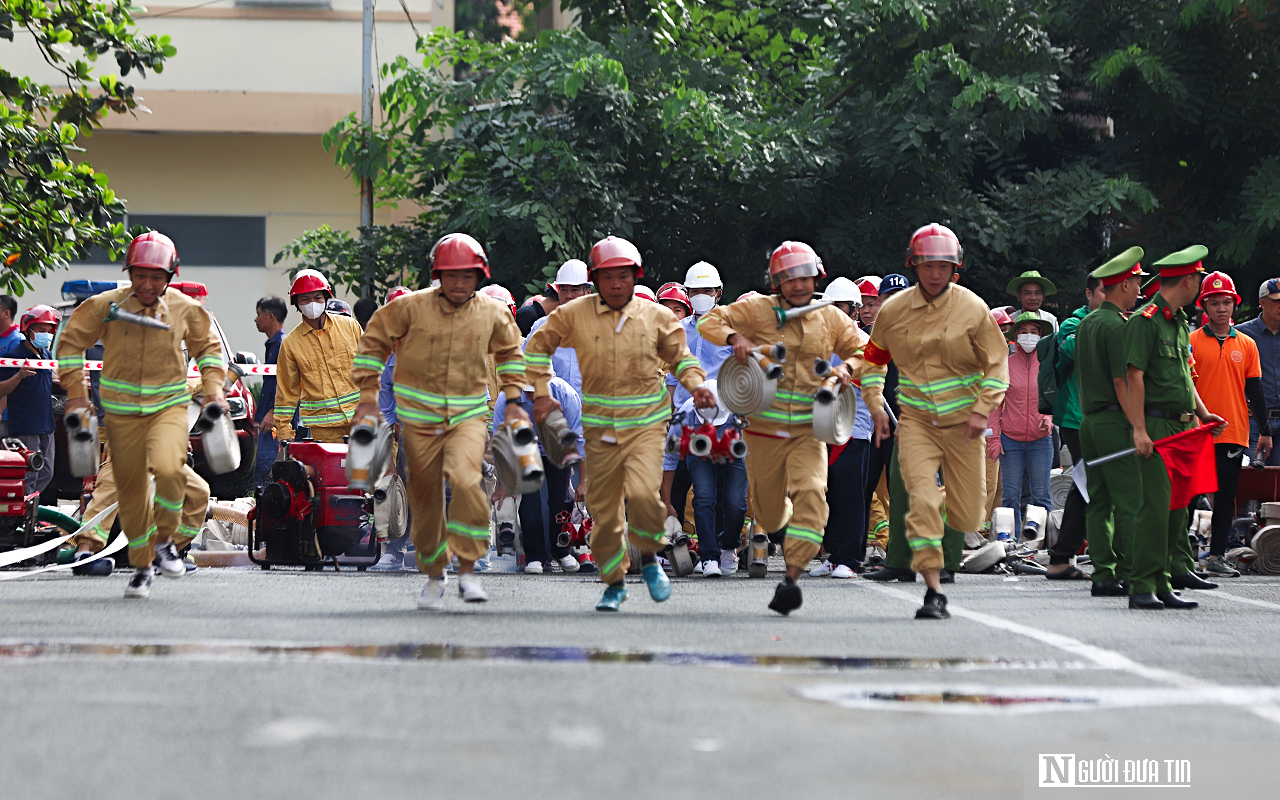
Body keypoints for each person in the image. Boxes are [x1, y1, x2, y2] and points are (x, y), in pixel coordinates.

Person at [528, 235, 711, 612]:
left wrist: (697, 388)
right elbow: (536, 347)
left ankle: (648, 560)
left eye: (623, 276)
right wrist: (542, 391)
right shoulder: (573, 315)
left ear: (634, 276)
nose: (615, 283)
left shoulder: (657, 316)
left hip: (645, 426)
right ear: (595, 280)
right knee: (605, 510)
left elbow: (683, 359)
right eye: (607, 276)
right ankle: (613, 581)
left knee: (645, 497)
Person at [351, 233, 529, 609]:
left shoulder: (493, 313)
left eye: (467, 276)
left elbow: (512, 356)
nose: (460, 283)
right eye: (452, 276)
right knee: (427, 497)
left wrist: (513, 402)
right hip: (419, 420)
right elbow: (372, 344)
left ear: (478, 276)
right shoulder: (410, 308)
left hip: (466, 414)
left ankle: (467, 570)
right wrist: (368, 398)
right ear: (437, 275)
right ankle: (435, 574)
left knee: (468, 483)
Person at [698, 241, 866, 615]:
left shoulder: (830, 317)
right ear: (776, 281)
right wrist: (734, 337)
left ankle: (791, 578)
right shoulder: (757, 308)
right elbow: (710, 320)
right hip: (763, 430)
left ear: (815, 278)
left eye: (804, 277)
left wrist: (847, 369)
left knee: (812, 491)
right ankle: (784, 536)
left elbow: (867, 348)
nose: (798, 285)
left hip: (810, 428)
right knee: (770, 513)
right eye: (789, 278)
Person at [56, 231, 226, 599]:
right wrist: (75, 393)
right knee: (131, 495)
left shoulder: (184, 308)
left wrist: (214, 390)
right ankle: (142, 565)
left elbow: (210, 350)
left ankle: (165, 541)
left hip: (167, 409)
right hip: (120, 416)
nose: (147, 285)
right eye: (140, 275)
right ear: (129, 272)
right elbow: (70, 344)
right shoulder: (106, 306)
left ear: (170, 276)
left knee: (168, 469)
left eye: (156, 277)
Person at [862, 224, 1009, 620]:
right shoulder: (893, 310)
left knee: (968, 513)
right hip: (917, 423)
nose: (934, 273)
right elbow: (873, 361)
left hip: (965, 425)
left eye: (942, 266)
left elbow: (997, 364)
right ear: (914, 265)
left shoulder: (974, 309)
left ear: (954, 268)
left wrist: (983, 409)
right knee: (921, 499)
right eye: (926, 265)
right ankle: (933, 591)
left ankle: (946, 530)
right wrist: (875, 402)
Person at [1121, 245, 1225, 610]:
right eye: (1199, 279)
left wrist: (1204, 413)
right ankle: (1142, 585)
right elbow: (1135, 376)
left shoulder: (1179, 322)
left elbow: (1184, 376)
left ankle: (1163, 581)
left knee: (1176, 508)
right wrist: (1138, 429)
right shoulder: (1146, 320)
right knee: (1153, 508)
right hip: (1155, 426)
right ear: (1190, 279)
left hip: (1181, 428)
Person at [1075, 248, 1146, 597]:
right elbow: (1122, 381)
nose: (1139, 289)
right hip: (1115, 422)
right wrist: (1138, 425)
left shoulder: (1087, 322)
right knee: (1130, 501)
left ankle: (1103, 572)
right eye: (1135, 283)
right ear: (1122, 285)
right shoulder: (1118, 325)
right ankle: (1132, 572)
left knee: (1099, 501)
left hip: (1090, 421)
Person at [1190, 271, 1267, 578]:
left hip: (1234, 430)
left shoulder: (1247, 345)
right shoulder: (1191, 342)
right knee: (1190, 496)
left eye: (1226, 302)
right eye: (1214, 303)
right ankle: (1183, 556)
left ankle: (1217, 556)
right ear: (1204, 307)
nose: (1221, 308)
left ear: (1234, 305)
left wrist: (1266, 432)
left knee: (1225, 497)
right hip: (1196, 431)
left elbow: (1256, 391)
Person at [1042, 275, 1105, 579]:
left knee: (1091, 486)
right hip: (1076, 419)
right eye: (1104, 291)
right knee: (1087, 485)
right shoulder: (1072, 325)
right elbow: (1072, 352)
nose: (1110, 297)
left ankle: (1068, 556)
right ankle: (1062, 556)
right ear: (1089, 294)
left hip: (1107, 419)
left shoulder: (1121, 321)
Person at [811, 277, 874, 578]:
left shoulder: (863, 343)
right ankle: (833, 553)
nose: (836, 312)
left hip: (855, 428)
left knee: (851, 494)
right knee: (829, 493)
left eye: (842, 307)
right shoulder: (818, 342)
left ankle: (851, 558)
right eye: (831, 307)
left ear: (855, 310)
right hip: (822, 427)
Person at [493, 374, 583, 575]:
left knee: (562, 499)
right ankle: (535, 556)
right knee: (530, 503)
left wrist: (582, 481)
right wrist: (503, 482)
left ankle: (561, 551)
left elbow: (577, 439)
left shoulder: (566, 395)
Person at [662, 380, 746, 577]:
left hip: (732, 451)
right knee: (704, 498)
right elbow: (669, 459)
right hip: (698, 453)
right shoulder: (685, 417)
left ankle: (728, 548)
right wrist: (666, 501)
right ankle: (710, 557)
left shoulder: (739, 409)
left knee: (736, 503)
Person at [273, 270, 363, 444]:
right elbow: (286, 393)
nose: (312, 303)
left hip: (362, 422)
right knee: (330, 472)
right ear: (296, 304)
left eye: (317, 297)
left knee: (370, 471)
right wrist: (284, 431)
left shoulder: (350, 327)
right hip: (324, 433)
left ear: (326, 298)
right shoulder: (291, 344)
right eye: (305, 299)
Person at [987, 312, 1054, 534]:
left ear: (1041, 336)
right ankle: (1009, 542)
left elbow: (1055, 396)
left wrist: (1048, 416)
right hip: (1010, 440)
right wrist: (994, 438)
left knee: (1041, 494)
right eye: (1023, 332)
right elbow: (995, 405)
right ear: (1015, 336)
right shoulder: (1005, 365)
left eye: (1034, 332)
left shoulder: (1048, 365)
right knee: (1010, 495)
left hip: (1041, 440)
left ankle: (1042, 542)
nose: (1028, 336)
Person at [0, 305, 61, 495]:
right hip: (25, 425)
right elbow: (2, 388)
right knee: (28, 474)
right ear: (28, 329)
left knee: (46, 472)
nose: (47, 334)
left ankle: (29, 512)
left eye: (49, 330)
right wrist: (19, 376)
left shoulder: (46, 356)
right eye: (41, 330)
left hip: (46, 424)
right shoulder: (15, 357)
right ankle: (20, 519)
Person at [1237, 278, 1280, 466]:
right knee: (1255, 479)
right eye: (1276, 301)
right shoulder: (1242, 335)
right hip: (1254, 421)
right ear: (1262, 303)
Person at [252, 295, 286, 488]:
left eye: (259, 314)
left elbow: (287, 384)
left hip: (275, 421)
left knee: (269, 469)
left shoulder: (282, 345)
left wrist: (273, 412)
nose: (256, 319)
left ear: (270, 317)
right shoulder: (273, 344)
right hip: (269, 418)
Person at [516, 259, 591, 336]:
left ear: (588, 293)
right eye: (563, 289)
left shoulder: (598, 326)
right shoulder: (541, 326)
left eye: (575, 290)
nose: (568, 295)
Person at [0, 294, 22, 435]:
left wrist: (1, 410)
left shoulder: (17, 340)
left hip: (6, 415)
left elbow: (16, 380)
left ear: (6, 313)